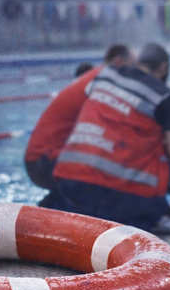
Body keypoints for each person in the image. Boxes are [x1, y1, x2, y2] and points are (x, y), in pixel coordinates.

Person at [50, 43, 170, 231]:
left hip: (68, 182)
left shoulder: (107, 75)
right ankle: (156, 213)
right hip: (115, 196)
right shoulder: (164, 96)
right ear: (163, 68)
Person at [24, 44, 134, 191]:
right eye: (135, 68)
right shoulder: (103, 80)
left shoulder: (97, 77)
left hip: (40, 159)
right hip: (44, 161)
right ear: (119, 62)